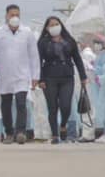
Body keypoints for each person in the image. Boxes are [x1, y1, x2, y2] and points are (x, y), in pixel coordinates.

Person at [0, 4, 39, 145]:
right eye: (12, 15)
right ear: (6, 16)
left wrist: (35, 76)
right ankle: (9, 132)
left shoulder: (27, 32)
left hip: (22, 75)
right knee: (6, 105)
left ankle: (21, 132)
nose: (15, 17)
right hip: (5, 75)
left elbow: (34, 55)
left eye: (17, 15)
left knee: (22, 103)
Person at [37, 16, 87, 144]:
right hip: (49, 77)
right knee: (52, 107)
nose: (54, 27)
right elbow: (38, 61)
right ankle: (55, 135)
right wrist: (40, 79)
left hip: (67, 77)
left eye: (56, 24)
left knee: (66, 105)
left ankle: (63, 124)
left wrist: (83, 76)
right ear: (47, 28)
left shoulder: (69, 40)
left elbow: (77, 59)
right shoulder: (43, 42)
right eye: (51, 25)